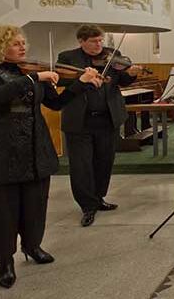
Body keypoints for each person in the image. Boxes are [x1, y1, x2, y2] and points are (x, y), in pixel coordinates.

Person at [0, 25, 101, 288]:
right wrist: (33, 80)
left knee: (35, 202)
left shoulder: (31, 72)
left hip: (34, 145)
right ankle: (5, 259)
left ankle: (32, 245)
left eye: (23, 42)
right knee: (3, 208)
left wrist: (80, 84)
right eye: (16, 43)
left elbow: (56, 104)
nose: (23, 47)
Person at [58, 25, 141, 227]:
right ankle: (87, 205)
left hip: (107, 118)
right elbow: (62, 80)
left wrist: (131, 74)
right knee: (81, 165)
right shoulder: (68, 57)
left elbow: (122, 81)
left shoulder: (113, 56)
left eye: (100, 40)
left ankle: (99, 198)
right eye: (94, 41)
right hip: (80, 120)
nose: (99, 45)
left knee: (104, 161)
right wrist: (83, 78)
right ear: (81, 41)